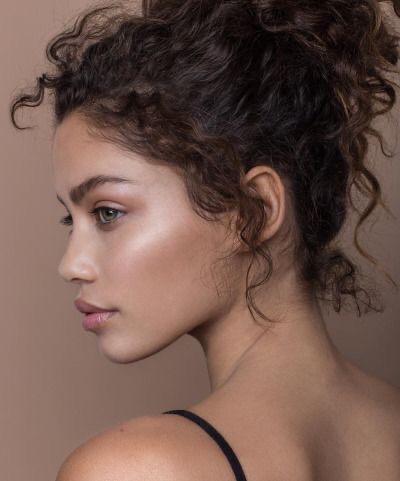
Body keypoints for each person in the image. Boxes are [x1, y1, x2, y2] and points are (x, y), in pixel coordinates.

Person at [10, 0, 400, 479]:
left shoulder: (133, 470)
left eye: (108, 213)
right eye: (70, 220)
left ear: (254, 211)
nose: (71, 265)